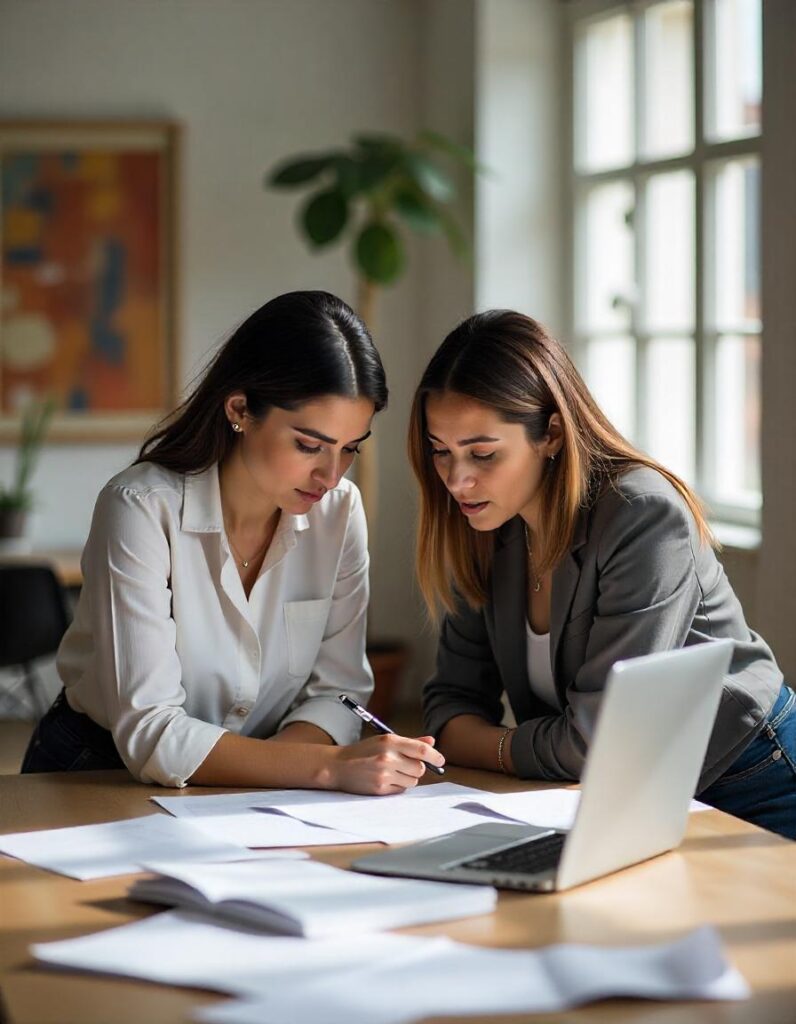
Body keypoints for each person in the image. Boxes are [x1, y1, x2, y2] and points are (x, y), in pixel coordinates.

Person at [22, 290, 443, 792]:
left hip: (264, 782)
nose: (331, 475)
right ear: (241, 409)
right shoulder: (140, 507)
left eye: (349, 448)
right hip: (97, 774)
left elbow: (338, 690)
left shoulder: (339, 513)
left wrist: (275, 775)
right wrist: (327, 768)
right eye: (309, 445)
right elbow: (152, 730)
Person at [410, 310, 795, 839]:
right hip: (613, 792)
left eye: (482, 453)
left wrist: (489, 744)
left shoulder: (641, 514)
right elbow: (449, 703)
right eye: (440, 452)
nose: (457, 479)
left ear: (549, 432)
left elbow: (597, 742)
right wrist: (514, 745)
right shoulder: (482, 524)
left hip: (748, 774)